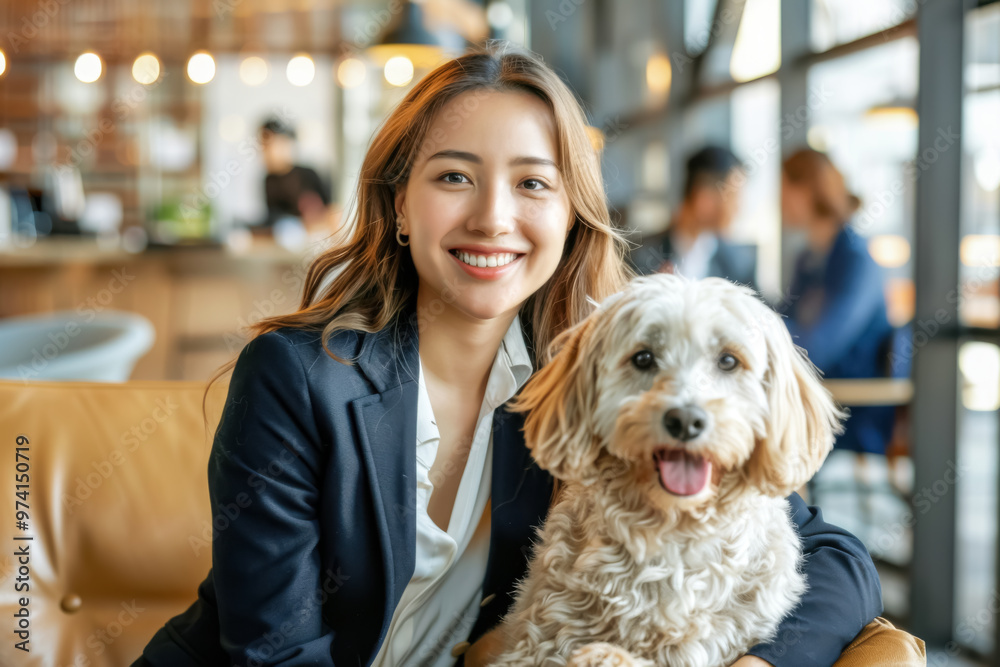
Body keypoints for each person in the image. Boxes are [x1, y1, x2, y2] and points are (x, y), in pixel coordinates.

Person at [134, 43, 884, 667]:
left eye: (532, 183)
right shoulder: (296, 377)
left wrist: (762, 662)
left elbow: (833, 556)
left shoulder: (592, 372)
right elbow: (276, 657)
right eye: (454, 176)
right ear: (400, 203)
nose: (493, 217)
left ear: (568, 214)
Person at [779, 148, 897, 455]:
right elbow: (785, 322)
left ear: (805, 192)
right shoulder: (808, 259)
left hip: (850, 410)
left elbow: (819, 345)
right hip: (813, 396)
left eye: (783, 190)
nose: (778, 202)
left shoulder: (857, 260)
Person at [628, 145, 757, 288]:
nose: (739, 208)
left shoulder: (739, 264)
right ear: (704, 198)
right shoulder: (637, 256)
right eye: (734, 196)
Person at [257, 116, 337, 235]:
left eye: (267, 145)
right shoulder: (269, 181)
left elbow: (334, 213)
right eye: (261, 145)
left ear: (284, 142)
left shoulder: (309, 174)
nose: (262, 151)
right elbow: (272, 222)